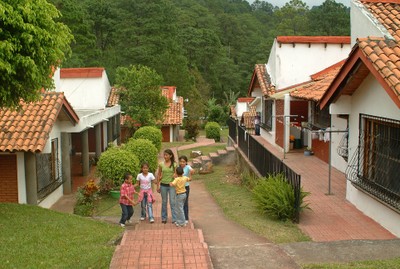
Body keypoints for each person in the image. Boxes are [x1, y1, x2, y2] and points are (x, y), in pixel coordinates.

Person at [157, 149, 177, 224]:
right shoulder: (161, 164)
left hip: (171, 185)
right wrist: (157, 186)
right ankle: (164, 218)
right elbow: (159, 175)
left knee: (172, 202)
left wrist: (175, 176)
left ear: (170, 156)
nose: (165, 156)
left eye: (166, 155)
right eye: (164, 155)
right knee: (164, 202)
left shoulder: (174, 164)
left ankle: (174, 218)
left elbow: (176, 175)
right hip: (163, 186)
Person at [179, 155, 194, 224]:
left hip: (186, 187)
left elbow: (191, 170)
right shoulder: (178, 168)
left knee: (185, 202)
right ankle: (180, 217)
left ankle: (186, 217)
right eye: (181, 162)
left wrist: (191, 172)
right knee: (179, 203)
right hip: (179, 188)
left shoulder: (188, 167)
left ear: (186, 162)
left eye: (183, 162)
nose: (182, 163)